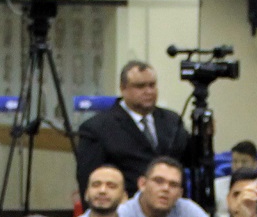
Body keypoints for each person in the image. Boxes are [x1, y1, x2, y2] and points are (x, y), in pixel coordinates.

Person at [73, 61, 189, 197]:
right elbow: (88, 180)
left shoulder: (172, 121)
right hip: (124, 205)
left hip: (171, 203)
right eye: (140, 86)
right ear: (123, 88)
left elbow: (187, 161)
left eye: (152, 85)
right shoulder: (97, 128)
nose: (148, 92)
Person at [116, 156, 211, 217]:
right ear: (142, 184)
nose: (166, 188)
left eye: (173, 185)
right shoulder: (121, 216)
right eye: (158, 181)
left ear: (180, 194)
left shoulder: (189, 211)